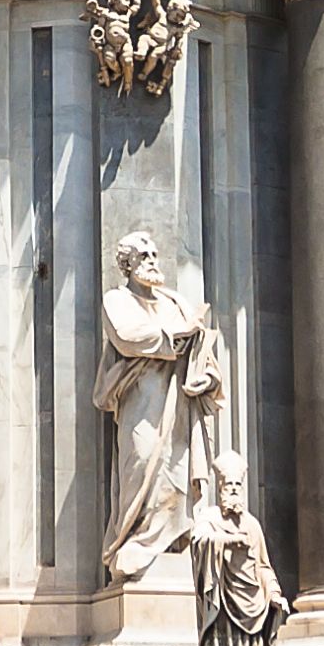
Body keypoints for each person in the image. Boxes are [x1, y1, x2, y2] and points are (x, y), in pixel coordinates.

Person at [97, 234, 227, 579]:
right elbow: (127, 336)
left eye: (154, 254)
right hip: (140, 400)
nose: (153, 260)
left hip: (179, 402)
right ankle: (135, 544)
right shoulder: (117, 300)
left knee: (176, 472)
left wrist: (208, 378)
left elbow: (202, 348)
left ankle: (172, 547)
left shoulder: (175, 302)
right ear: (127, 264)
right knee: (141, 462)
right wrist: (176, 335)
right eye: (144, 255)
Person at [191, 449, 287, 646]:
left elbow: (263, 566)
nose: (233, 490)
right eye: (228, 485)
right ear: (220, 488)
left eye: (237, 485)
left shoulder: (252, 525)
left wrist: (275, 594)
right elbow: (198, 541)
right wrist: (228, 541)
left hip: (252, 604)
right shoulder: (210, 518)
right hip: (223, 602)